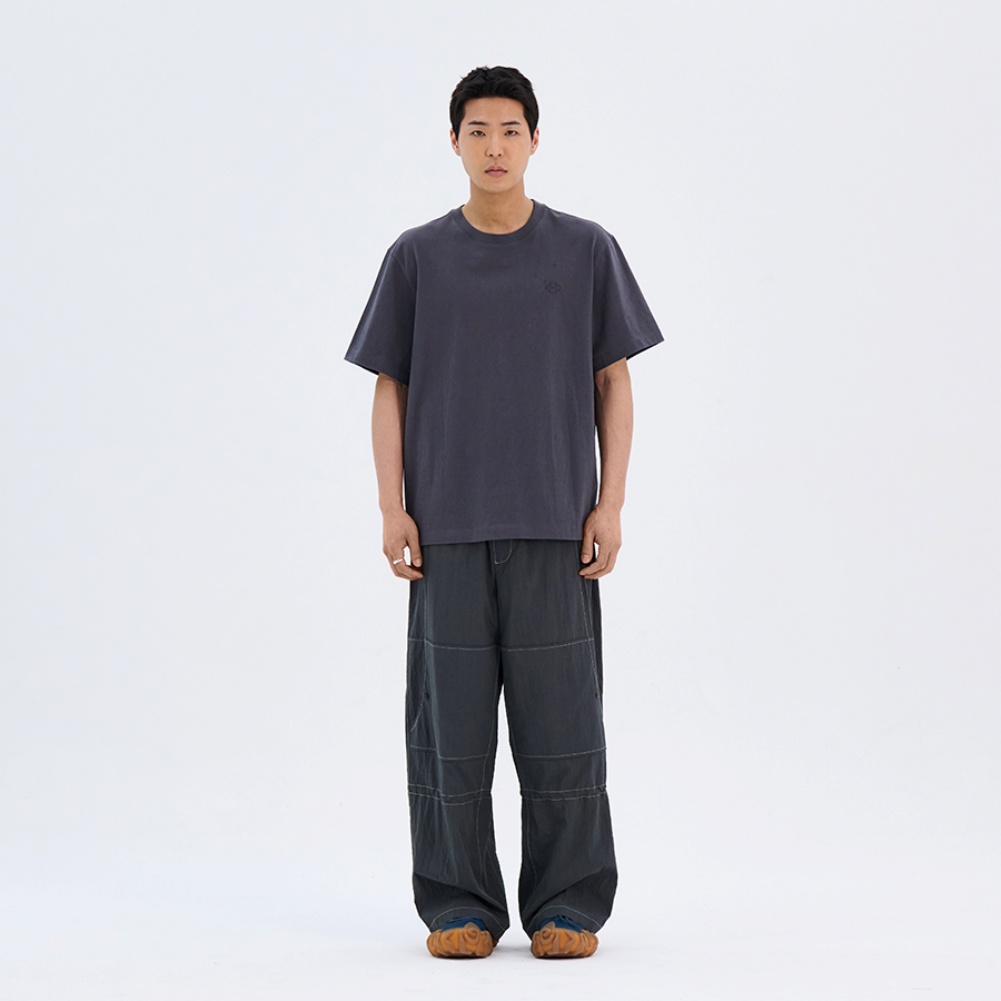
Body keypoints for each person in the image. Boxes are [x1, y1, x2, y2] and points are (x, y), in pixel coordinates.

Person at [345, 65, 663, 959]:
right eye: (477, 131)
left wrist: (610, 502)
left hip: (555, 526)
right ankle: (459, 904)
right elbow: (390, 386)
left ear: (534, 140)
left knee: (563, 729)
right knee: (447, 735)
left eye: (510, 130)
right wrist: (390, 507)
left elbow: (613, 380)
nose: (494, 147)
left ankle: (568, 902)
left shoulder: (585, 249)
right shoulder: (416, 256)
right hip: (443, 529)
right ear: (454, 142)